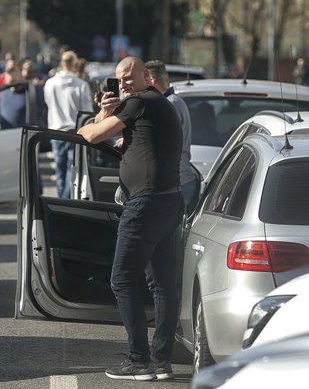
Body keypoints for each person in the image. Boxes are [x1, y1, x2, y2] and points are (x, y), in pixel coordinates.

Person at [77, 56, 183, 381]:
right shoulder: (158, 105)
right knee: (162, 284)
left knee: (122, 280)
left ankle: (138, 361)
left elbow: (92, 135)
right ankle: (161, 361)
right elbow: (143, 143)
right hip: (168, 202)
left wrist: (97, 117)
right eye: (118, 79)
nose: (122, 84)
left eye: (128, 77)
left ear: (146, 75)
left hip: (146, 206)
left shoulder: (139, 102)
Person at [145, 60, 197, 209]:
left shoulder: (169, 104)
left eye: (144, 81)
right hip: (179, 181)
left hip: (176, 183)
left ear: (152, 81)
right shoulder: (173, 101)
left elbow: (157, 141)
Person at [43, 50, 93, 198]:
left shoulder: (50, 83)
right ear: (74, 64)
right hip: (75, 132)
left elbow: (47, 103)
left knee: (59, 171)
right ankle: (65, 202)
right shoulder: (81, 85)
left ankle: (59, 202)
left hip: (55, 131)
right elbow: (87, 112)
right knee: (73, 171)